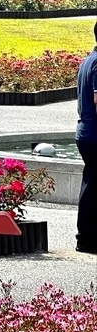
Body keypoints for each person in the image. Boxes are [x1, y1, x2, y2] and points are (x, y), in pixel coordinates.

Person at [75, 22, 97, 254]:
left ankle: (86, 235)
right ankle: (88, 236)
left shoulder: (88, 60)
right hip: (95, 133)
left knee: (90, 182)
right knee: (93, 186)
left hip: (86, 132)